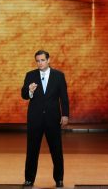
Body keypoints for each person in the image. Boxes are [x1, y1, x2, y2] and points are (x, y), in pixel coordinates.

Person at [21, 50, 69, 187]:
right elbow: (23, 94)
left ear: (48, 60)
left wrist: (65, 114)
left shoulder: (59, 76)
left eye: (42, 60)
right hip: (35, 119)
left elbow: (64, 97)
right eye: (37, 61)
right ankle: (29, 179)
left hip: (53, 119)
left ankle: (59, 179)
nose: (40, 63)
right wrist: (29, 90)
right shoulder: (30, 75)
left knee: (56, 150)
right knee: (32, 150)